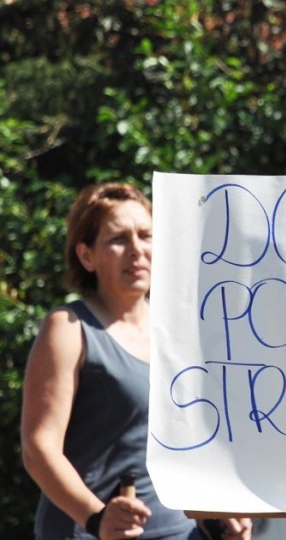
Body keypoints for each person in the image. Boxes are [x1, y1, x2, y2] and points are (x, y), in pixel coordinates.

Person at [20, 182, 253, 540]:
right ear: (86, 256)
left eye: (146, 236)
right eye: (118, 239)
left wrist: (220, 517)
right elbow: (39, 448)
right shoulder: (68, 328)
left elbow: (199, 444)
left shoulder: (184, 330)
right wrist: (96, 518)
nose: (136, 250)